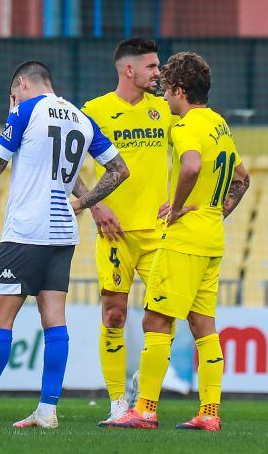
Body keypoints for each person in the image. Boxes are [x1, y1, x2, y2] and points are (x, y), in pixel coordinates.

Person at [0, 61, 128, 429]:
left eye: (14, 92)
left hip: (26, 232)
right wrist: (82, 204)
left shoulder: (24, 110)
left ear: (22, 84)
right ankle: (47, 410)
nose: (14, 98)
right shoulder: (80, 118)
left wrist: (10, 115)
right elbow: (119, 169)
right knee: (54, 319)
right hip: (62, 233)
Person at [106, 52, 250, 432]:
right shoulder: (218, 124)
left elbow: (190, 166)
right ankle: (210, 413)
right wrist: (216, 211)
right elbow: (243, 177)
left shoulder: (187, 126)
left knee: (156, 319)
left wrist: (177, 207)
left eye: (168, 91)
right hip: (212, 239)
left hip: (184, 241)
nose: (165, 98)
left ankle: (146, 410)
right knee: (204, 326)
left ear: (181, 91)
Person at [80, 37, 174, 422]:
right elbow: (62, 163)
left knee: (162, 317)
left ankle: (146, 403)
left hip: (159, 233)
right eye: (152, 67)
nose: (158, 73)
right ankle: (119, 401)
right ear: (128, 69)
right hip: (115, 233)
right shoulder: (93, 111)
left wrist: (184, 201)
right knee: (114, 315)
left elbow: (193, 155)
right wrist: (94, 205)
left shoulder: (166, 111)